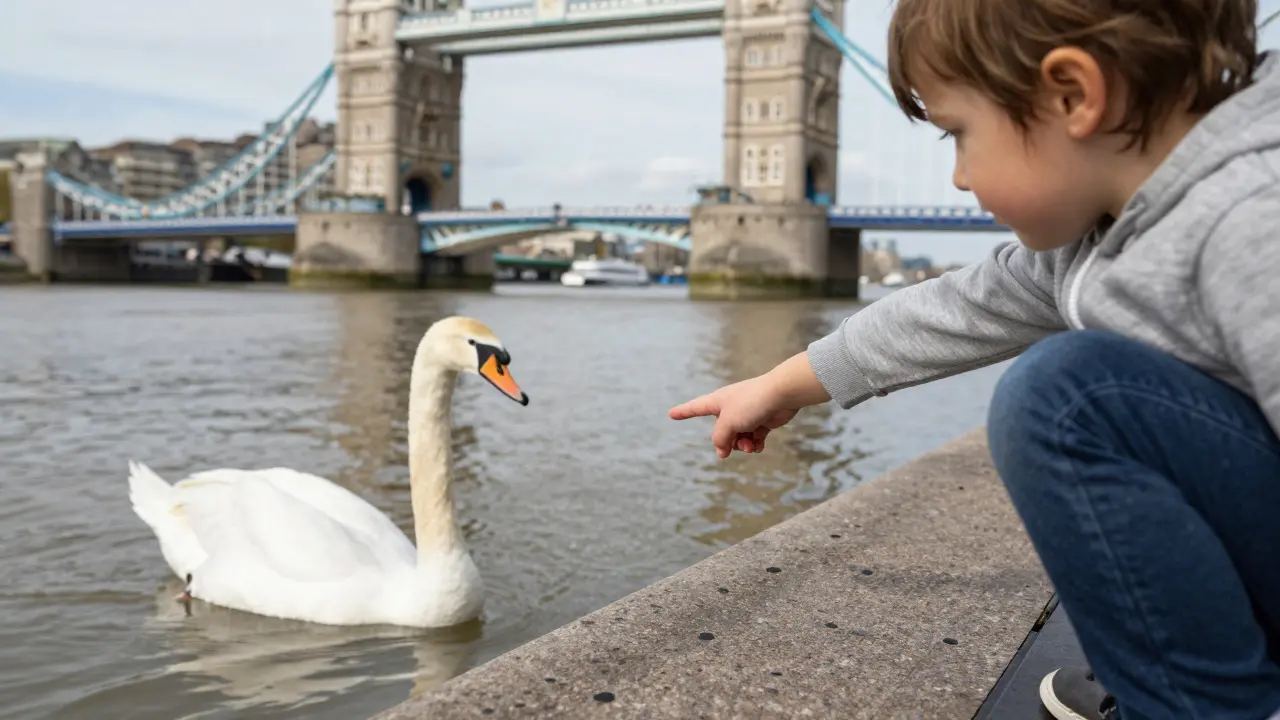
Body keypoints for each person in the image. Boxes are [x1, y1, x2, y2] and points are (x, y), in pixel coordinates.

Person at [669, 1, 1280, 718]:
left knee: (1067, 396)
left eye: (958, 133)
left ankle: (1209, 702)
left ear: (1073, 96)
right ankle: (1183, 666)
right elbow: (953, 310)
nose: (958, 177)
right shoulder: (1094, 242)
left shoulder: (1251, 220)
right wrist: (782, 386)